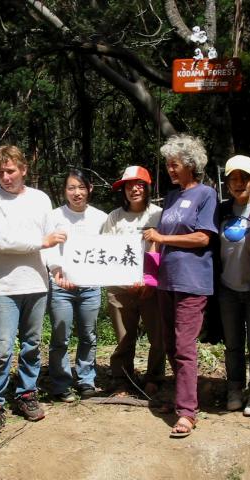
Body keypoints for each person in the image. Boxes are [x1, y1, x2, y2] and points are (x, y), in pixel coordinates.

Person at [0, 145, 66, 433]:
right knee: (1, 348)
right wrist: (41, 242)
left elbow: (52, 243)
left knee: (31, 345)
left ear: (24, 170)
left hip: (37, 284)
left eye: (11, 171)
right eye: (1, 172)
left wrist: (56, 269)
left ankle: (27, 394)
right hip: (3, 287)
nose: (6, 177)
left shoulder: (40, 199)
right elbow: (3, 242)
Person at [143, 134, 218, 437]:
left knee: (185, 347)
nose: (170, 170)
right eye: (168, 165)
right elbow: (156, 241)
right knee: (171, 344)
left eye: (174, 165)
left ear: (190, 164)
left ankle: (187, 412)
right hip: (167, 282)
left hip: (192, 282)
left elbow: (203, 237)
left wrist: (162, 239)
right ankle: (180, 399)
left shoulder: (206, 194)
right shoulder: (172, 198)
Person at [102, 166, 165, 397]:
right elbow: (106, 252)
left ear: (147, 188)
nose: (134, 189)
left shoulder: (159, 214)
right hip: (120, 288)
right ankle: (122, 379)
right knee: (123, 338)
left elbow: (165, 250)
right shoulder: (114, 217)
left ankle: (154, 377)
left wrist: (151, 281)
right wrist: (123, 280)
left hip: (152, 288)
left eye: (139, 184)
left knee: (157, 336)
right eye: (129, 185)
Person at [46, 169, 107, 401]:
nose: (77, 193)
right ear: (65, 191)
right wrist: (56, 270)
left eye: (81, 187)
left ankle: (86, 380)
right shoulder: (54, 216)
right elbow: (49, 248)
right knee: (60, 335)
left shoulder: (101, 217)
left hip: (90, 286)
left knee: (88, 335)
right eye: (71, 188)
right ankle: (61, 383)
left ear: (90, 189)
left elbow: (108, 251)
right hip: (61, 285)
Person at [216, 155, 250, 415]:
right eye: (233, 179)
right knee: (233, 345)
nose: (238, 184)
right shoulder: (221, 211)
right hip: (228, 290)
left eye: (244, 178)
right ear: (227, 183)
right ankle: (234, 388)